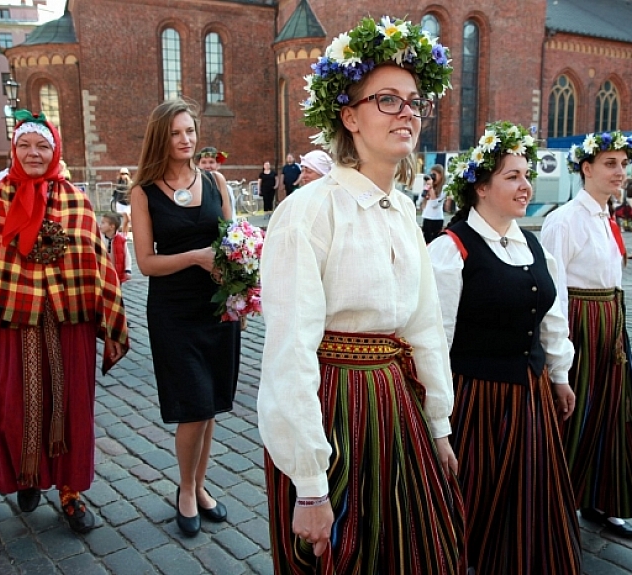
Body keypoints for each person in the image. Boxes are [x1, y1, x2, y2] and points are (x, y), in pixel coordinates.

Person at [258, 16, 464, 573]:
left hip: (396, 403)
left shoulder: (403, 209)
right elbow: (289, 352)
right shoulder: (307, 212)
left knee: (412, 550)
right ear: (349, 116)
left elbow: (424, 324)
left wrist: (439, 423)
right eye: (388, 100)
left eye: (414, 101)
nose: (408, 113)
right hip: (335, 406)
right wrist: (308, 485)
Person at [428, 121, 581, 574]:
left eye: (526, 174)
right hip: (477, 400)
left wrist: (559, 375)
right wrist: (438, 416)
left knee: (529, 500)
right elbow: (436, 339)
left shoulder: (533, 245)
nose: (525, 184)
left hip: (530, 396)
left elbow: (552, 318)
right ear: (480, 186)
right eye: (512, 176)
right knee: (475, 500)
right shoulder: (451, 249)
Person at [0, 110, 129, 533]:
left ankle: (70, 492)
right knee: (14, 409)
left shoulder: (76, 200)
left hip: (68, 322)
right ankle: (25, 477)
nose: (34, 153)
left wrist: (109, 321)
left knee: (70, 410)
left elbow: (96, 263)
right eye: (25, 146)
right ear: (14, 150)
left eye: (42, 146)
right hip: (12, 323)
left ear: (55, 151)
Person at [540, 131, 632, 539]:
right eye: (610, 163)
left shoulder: (607, 216)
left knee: (613, 411)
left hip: (611, 322)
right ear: (586, 168)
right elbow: (553, 290)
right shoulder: (564, 220)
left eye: (623, 164)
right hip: (581, 324)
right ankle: (556, 505)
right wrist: (559, 355)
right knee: (576, 414)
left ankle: (601, 498)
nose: (620, 171)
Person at [130, 99, 240, 537]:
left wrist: (241, 293)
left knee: (209, 406)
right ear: (162, 137)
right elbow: (145, 263)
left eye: (190, 131)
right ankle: (185, 490)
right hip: (173, 312)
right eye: (176, 133)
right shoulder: (144, 191)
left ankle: (199, 484)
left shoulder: (216, 181)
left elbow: (235, 244)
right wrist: (196, 256)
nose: (186, 139)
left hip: (217, 310)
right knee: (194, 405)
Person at [195, 147, 236, 217]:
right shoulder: (195, 186)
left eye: (211, 162)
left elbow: (231, 213)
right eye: (203, 162)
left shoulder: (226, 188)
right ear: (198, 165)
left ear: (218, 164)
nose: (207, 166)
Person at [100, 211, 132, 283]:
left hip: (117, 273)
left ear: (112, 226)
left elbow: (127, 256)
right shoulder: (98, 238)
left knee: (117, 291)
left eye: (103, 223)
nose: (100, 225)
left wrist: (128, 270)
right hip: (102, 272)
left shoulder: (121, 240)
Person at [420, 173, 446, 243]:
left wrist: (431, 189)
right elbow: (419, 201)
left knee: (435, 242)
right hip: (427, 217)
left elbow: (434, 204)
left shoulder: (444, 188)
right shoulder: (427, 187)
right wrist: (426, 189)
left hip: (437, 218)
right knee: (426, 242)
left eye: (434, 175)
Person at [114, 167, 132, 237]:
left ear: (128, 174)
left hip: (128, 204)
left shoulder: (130, 182)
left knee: (126, 221)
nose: (123, 175)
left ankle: (124, 235)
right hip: (121, 203)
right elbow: (119, 189)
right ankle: (123, 235)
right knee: (127, 218)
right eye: (122, 174)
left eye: (125, 173)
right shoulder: (119, 182)